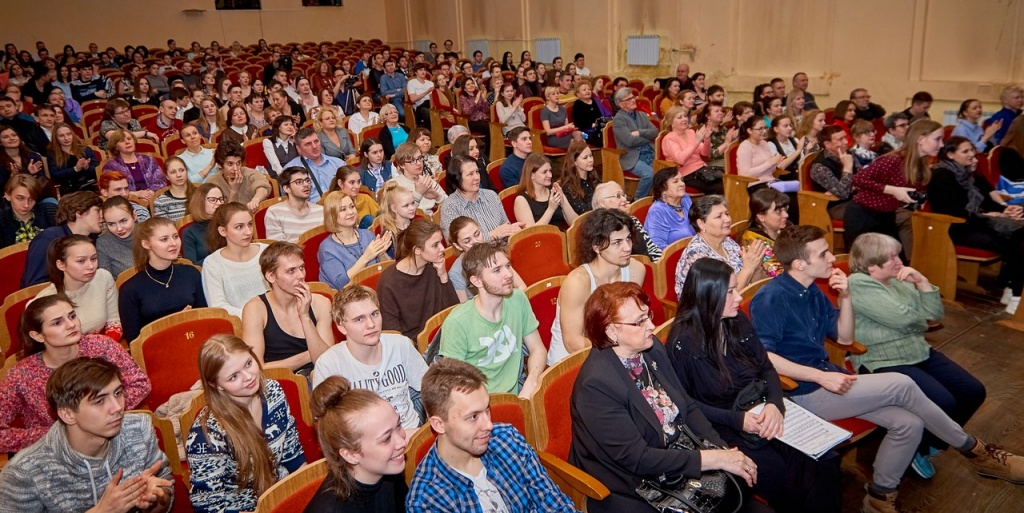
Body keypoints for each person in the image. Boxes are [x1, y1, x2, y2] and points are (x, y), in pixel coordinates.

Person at [750, 225, 1024, 513]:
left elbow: (844, 338)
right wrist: (821, 376)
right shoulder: (771, 297)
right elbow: (764, 357)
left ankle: (879, 497)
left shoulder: (812, 291)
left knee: (909, 423)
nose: (832, 258)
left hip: (828, 379)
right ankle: (976, 451)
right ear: (799, 264)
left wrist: (846, 297)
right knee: (901, 383)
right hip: (800, 392)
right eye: (823, 254)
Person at [569, 281, 761, 513]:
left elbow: (687, 406)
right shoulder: (596, 386)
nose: (651, 325)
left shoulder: (651, 349)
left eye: (648, 315)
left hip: (676, 455)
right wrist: (714, 459)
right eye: (640, 321)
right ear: (611, 331)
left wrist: (723, 450)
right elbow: (637, 458)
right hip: (633, 482)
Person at [669, 259, 841, 513]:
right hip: (722, 423)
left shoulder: (737, 321)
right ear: (708, 296)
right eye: (730, 291)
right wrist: (738, 420)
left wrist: (775, 404)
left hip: (761, 407)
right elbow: (685, 404)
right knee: (778, 472)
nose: (739, 297)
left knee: (825, 456)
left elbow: (766, 368)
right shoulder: (683, 342)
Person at [849, 232, 988, 477]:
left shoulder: (898, 279)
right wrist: (921, 321)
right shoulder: (859, 283)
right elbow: (905, 320)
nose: (899, 261)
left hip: (917, 351)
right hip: (882, 359)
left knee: (973, 391)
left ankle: (932, 439)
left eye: (898, 255)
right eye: (892, 258)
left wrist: (922, 282)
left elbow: (934, 315)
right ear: (872, 266)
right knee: (945, 402)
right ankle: (917, 449)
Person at [0, 357, 170, 512]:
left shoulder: (139, 429)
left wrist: (156, 499)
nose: (118, 407)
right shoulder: (24, 472)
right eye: (99, 401)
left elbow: (166, 495)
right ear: (67, 414)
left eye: (118, 393)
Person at [406, 358, 575, 512]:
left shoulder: (507, 439)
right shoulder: (427, 500)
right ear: (439, 424)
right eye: (473, 417)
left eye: (487, 409)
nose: (489, 425)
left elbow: (554, 503)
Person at [0, 295, 149, 453]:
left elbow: (140, 384)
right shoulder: (22, 375)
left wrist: (101, 415)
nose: (71, 325)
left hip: (112, 439)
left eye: (72, 316)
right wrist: (58, 434)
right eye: (57, 323)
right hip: (54, 453)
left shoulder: (102, 346)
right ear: (38, 335)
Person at [186, 334, 306, 513]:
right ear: (216, 385)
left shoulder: (273, 391)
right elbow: (208, 507)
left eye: (249, 363)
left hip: (282, 496)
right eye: (234, 377)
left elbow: (294, 458)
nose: (249, 376)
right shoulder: (206, 435)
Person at [928, 136, 1024, 314]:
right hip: (954, 228)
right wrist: (988, 215)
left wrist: (1005, 211)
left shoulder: (967, 174)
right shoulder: (942, 175)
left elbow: (987, 200)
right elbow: (953, 211)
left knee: (1018, 233)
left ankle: (1011, 288)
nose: (972, 154)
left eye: (972, 150)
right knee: (1014, 239)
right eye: (965, 151)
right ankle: (1015, 293)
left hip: (973, 222)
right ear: (950, 154)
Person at [313, 283, 428, 431]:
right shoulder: (329, 364)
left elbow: (431, 392)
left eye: (374, 314)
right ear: (341, 326)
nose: (371, 324)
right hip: (364, 441)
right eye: (359, 319)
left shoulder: (401, 344)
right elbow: (328, 428)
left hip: (411, 431)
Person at [439, 241, 548, 397]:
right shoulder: (457, 322)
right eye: (497, 270)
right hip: (480, 402)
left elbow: (537, 349)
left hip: (519, 393)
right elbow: (454, 385)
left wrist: (530, 384)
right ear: (476, 281)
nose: (508, 274)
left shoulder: (518, 299)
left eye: (507, 266)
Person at [549, 208, 646, 365]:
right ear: (597, 246)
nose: (627, 247)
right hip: (571, 361)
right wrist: (619, 348)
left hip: (616, 350)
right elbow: (573, 342)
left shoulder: (636, 270)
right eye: (617, 242)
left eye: (628, 238)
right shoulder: (578, 283)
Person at [304, 375, 411, 512]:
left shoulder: (389, 470)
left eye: (398, 425)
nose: (402, 442)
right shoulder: (331, 508)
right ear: (351, 455)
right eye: (386, 439)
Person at [847, 119, 943, 256]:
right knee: (867, 262)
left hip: (886, 216)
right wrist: (892, 190)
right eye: (937, 139)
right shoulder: (893, 160)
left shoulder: (920, 164)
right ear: (921, 139)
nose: (941, 144)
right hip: (864, 215)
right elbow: (858, 179)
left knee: (896, 261)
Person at [242, 242, 333, 376]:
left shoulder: (321, 303)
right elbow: (256, 368)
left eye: (301, 268)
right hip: (279, 380)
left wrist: (305, 317)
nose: (301, 275)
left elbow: (328, 361)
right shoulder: (255, 309)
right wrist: (311, 353)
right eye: (291, 271)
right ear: (271, 276)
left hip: (319, 376)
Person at [119, 217, 207, 343]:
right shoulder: (129, 289)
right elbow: (134, 341)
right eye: (164, 239)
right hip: (157, 350)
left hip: (194, 342)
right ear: (146, 244)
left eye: (175, 237)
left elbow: (204, 318)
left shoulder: (191, 273)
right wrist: (175, 323)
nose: (173, 243)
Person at [378, 219, 459, 339]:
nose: (442, 248)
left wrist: (443, 276)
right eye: (435, 245)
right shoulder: (389, 282)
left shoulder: (434, 268)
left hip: (441, 337)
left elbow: (454, 311)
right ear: (417, 250)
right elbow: (393, 334)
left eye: (441, 242)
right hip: (412, 345)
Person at [32, 233, 121, 338]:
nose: (91, 266)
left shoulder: (103, 277)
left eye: (93, 258)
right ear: (61, 265)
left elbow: (114, 322)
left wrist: (106, 346)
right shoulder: (44, 300)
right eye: (81, 261)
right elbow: (44, 342)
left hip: (105, 344)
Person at [675, 194, 766, 296]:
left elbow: (761, 285)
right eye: (719, 216)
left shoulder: (727, 242)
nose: (727, 219)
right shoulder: (697, 255)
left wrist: (756, 267)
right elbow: (724, 297)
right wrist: (748, 268)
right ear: (701, 224)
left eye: (727, 214)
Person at [20, 191, 103, 287]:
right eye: (97, 211)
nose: (102, 216)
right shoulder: (47, 239)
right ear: (79, 213)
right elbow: (36, 285)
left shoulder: (94, 239)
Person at [201, 202, 267, 317]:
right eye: (239, 227)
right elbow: (218, 307)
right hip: (238, 323)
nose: (248, 232)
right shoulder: (212, 263)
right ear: (223, 231)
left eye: (250, 224)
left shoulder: (266, 251)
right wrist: (255, 317)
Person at [318, 191, 392, 290]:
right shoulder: (327, 249)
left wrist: (381, 253)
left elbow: (388, 271)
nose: (350, 212)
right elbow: (342, 285)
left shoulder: (367, 235)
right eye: (343, 209)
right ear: (332, 215)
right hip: (348, 296)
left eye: (352, 206)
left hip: (373, 289)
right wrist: (366, 257)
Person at [440, 154, 520, 242]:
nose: (477, 177)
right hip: (477, 251)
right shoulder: (450, 207)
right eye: (470, 174)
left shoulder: (491, 195)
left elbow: (506, 227)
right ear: (457, 179)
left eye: (477, 172)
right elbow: (454, 244)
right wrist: (492, 235)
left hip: (502, 247)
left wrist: (513, 230)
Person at [446, 216, 528, 302]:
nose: (476, 242)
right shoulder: (456, 273)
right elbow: (464, 305)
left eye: (477, 234)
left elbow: (521, 286)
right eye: (467, 241)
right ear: (457, 246)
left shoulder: (495, 252)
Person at [612, 88, 657, 198]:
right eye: (629, 99)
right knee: (649, 174)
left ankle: (656, 200)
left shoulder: (642, 115)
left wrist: (639, 132)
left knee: (665, 171)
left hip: (650, 152)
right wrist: (648, 137)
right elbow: (630, 141)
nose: (633, 100)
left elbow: (655, 132)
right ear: (621, 104)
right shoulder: (618, 120)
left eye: (633, 97)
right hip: (631, 156)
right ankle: (637, 201)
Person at [809, 125, 861, 221]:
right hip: (835, 207)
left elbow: (862, 178)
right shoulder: (819, 167)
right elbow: (843, 194)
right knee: (868, 211)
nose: (846, 142)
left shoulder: (847, 153)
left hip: (854, 199)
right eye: (840, 139)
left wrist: (852, 186)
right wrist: (847, 167)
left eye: (845, 137)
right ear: (828, 144)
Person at [514, 153, 578, 229]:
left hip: (560, 234)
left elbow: (575, 224)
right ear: (532, 175)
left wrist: (563, 203)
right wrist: (551, 209)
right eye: (544, 172)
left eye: (550, 171)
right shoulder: (521, 200)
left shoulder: (554, 192)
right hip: (541, 236)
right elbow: (531, 232)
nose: (550, 175)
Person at [102, 130, 167, 202]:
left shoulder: (149, 160)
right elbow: (112, 190)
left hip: (155, 198)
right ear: (116, 147)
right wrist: (137, 194)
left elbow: (161, 181)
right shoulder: (111, 166)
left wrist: (150, 194)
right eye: (122, 141)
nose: (127, 142)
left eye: (129, 139)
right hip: (126, 201)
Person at [661, 105, 715, 193]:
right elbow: (680, 160)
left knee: (724, 181)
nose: (684, 119)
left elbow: (705, 153)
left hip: (702, 170)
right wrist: (696, 142)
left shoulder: (691, 132)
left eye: (685, 116)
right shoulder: (669, 138)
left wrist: (707, 139)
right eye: (680, 117)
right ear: (671, 122)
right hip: (685, 175)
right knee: (720, 187)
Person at [204, 142, 271, 211]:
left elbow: (263, 187)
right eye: (230, 164)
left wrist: (256, 199)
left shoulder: (250, 174)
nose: (235, 168)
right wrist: (234, 191)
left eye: (238, 163)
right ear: (219, 165)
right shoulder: (212, 182)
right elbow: (222, 214)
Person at [286, 127, 346, 204]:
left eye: (316, 141)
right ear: (299, 148)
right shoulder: (290, 170)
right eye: (308, 144)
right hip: (311, 209)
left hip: (339, 206)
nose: (314, 146)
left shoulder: (338, 164)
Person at [265, 166, 324, 243]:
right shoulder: (275, 212)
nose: (306, 184)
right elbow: (277, 247)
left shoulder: (321, 211)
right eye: (299, 182)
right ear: (286, 188)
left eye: (307, 180)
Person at [741, 188, 791, 279]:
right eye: (778, 211)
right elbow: (777, 275)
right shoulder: (755, 242)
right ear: (761, 216)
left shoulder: (787, 227)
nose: (786, 215)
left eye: (785, 209)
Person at [643, 167, 695, 250]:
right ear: (663, 188)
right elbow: (658, 246)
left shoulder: (685, 199)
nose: (682, 184)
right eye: (675, 181)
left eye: (682, 180)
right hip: (674, 255)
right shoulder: (657, 211)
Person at [388, 142, 446, 216]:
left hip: (430, 220)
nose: (419, 163)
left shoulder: (427, 181)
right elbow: (399, 214)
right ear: (402, 165)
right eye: (412, 161)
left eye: (420, 158)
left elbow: (451, 206)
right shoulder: (394, 186)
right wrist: (418, 193)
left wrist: (438, 197)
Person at [0, 175, 53, 248]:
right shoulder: (2, 219)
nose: (26, 205)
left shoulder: (50, 211)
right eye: (20, 198)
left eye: (31, 199)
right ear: (7, 195)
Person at [45, 122, 99, 194]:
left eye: (69, 134)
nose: (66, 138)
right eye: (61, 136)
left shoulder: (85, 150)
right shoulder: (52, 154)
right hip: (69, 190)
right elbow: (55, 176)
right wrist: (75, 169)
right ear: (56, 138)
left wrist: (87, 167)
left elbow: (98, 171)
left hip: (90, 185)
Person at [182, 183, 225, 265]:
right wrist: (220, 256)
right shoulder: (189, 232)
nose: (219, 203)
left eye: (221, 199)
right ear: (200, 202)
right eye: (213, 200)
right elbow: (191, 266)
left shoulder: (227, 225)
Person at [737, 116, 783, 189]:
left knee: (793, 191)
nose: (764, 131)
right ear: (750, 130)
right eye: (760, 129)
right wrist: (769, 163)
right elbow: (745, 174)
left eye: (765, 128)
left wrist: (775, 164)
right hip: (755, 184)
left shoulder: (764, 143)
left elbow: (770, 171)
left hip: (770, 182)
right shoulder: (745, 146)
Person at [96, 196, 137, 278]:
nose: (119, 229)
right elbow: (106, 279)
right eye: (111, 224)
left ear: (134, 216)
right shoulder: (103, 243)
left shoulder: (150, 233)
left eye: (124, 221)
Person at [560, 141, 601, 215]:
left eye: (591, 156)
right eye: (585, 158)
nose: (590, 160)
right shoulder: (569, 186)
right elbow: (583, 212)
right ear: (574, 162)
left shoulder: (593, 177)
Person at [152, 156, 195, 222]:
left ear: (187, 171)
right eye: (173, 172)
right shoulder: (161, 202)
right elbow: (163, 227)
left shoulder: (200, 194)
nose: (178, 175)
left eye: (182, 170)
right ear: (167, 176)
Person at [457, 78, 491, 150]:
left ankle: (491, 150)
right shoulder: (463, 98)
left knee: (494, 127)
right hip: (472, 121)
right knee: (488, 128)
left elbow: (486, 110)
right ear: (464, 88)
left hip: (483, 119)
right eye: (468, 84)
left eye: (472, 83)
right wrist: (476, 101)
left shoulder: (478, 95)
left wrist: (484, 100)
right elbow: (467, 112)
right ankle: (487, 151)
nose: (471, 85)